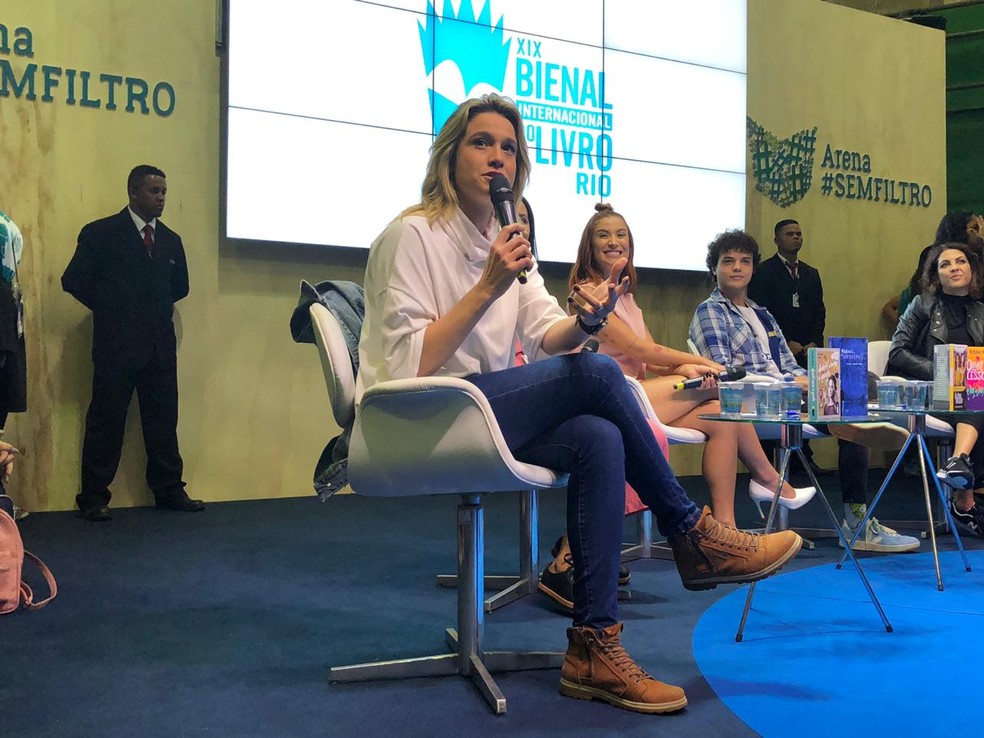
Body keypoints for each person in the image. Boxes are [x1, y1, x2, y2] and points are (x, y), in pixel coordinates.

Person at [357, 93, 802, 714]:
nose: (498, 158)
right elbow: (409, 363)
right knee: (595, 378)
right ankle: (691, 532)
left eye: (509, 147)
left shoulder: (508, 241)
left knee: (598, 434)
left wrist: (586, 320)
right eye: (481, 143)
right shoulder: (411, 234)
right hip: (419, 412)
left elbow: (548, 335)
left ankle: (594, 645)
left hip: (482, 416)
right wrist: (489, 285)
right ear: (448, 157)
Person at [689, 229, 920, 554]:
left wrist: (810, 379)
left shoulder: (763, 313)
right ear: (714, 268)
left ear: (753, 267)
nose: (737, 267)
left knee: (859, 383)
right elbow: (724, 373)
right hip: (753, 403)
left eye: (744, 261)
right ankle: (857, 511)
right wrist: (797, 384)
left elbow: (788, 364)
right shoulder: (709, 312)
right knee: (851, 403)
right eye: (728, 261)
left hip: (790, 399)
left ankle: (857, 509)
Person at [62, 165, 204, 522]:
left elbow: (180, 287)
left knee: (163, 420)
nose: (161, 198)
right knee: (106, 421)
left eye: (164, 192)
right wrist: (112, 308)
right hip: (116, 345)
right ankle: (93, 497)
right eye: (154, 191)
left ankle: (169, 489)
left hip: (158, 346)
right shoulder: (101, 234)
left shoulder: (171, 241)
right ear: (133, 192)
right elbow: (74, 280)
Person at [887, 242, 984, 537]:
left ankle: (961, 470)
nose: (954, 267)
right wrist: (944, 372)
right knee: (975, 390)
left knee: (976, 389)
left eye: (960, 262)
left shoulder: (981, 310)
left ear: (971, 270)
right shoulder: (922, 304)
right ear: (936, 274)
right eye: (945, 264)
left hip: (974, 392)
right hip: (932, 391)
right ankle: (965, 493)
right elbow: (897, 352)